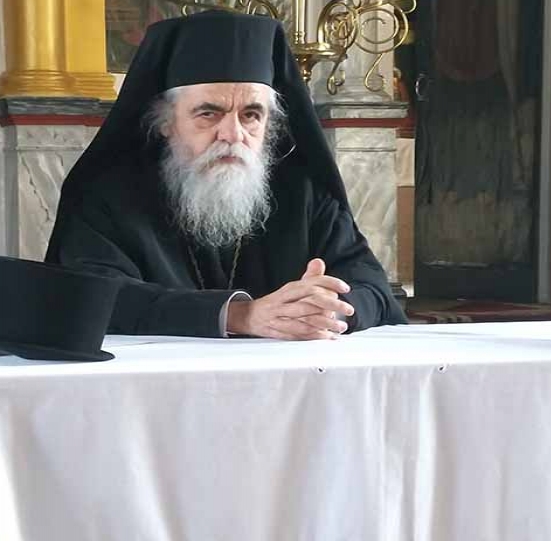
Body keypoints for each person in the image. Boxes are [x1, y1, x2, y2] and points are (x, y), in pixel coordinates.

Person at [46, 9, 406, 340]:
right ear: (166, 122)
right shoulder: (108, 196)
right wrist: (238, 315)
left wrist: (329, 311)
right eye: (209, 113)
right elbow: (94, 295)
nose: (233, 134)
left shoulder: (303, 193)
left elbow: (372, 288)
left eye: (251, 115)